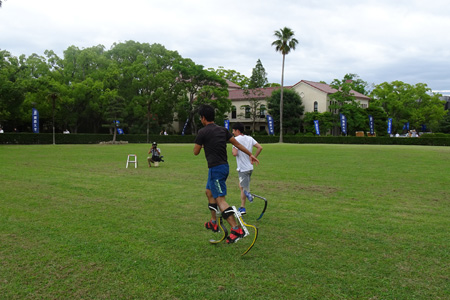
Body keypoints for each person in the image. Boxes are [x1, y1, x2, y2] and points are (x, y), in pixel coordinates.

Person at [193, 104, 259, 244]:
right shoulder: (223, 130)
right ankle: (213, 222)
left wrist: (204, 143)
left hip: (216, 169)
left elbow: (196, 152)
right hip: (222, 167)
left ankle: (236, 229)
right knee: (209, 192)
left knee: (220, 199)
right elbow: (238, 145)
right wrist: (250, 155)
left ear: (203, 118)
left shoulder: (202, 132)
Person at [232, 122, 263, 215]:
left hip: (243, 168)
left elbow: (234, 154)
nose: (232, 132)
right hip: (250, 167)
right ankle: (244, 203)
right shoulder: (249, 138)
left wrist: (233, 149)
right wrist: (253, 157)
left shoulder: (236, 139)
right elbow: (260, 147)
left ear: (237, 130)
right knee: (241, 186)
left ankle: (243, 207)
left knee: (244, 189)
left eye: (233, 131)